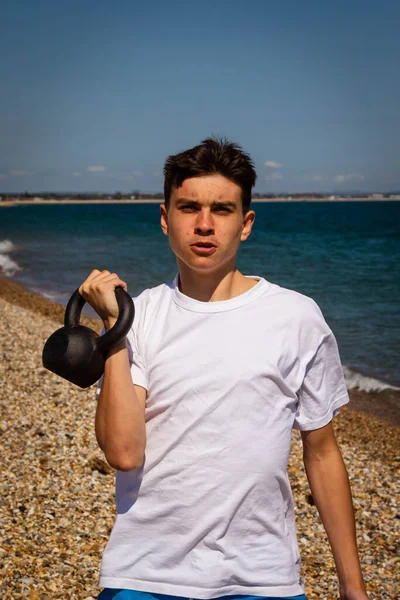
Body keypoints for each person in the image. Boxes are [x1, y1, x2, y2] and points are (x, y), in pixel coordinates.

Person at [79, 137, 370, 600]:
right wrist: (114, 327)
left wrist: (353, 587)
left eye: (223, 209)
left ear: (246, 223)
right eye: (189, 207)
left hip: (263, 576)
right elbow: (124, 452)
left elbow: (322, 452)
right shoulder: (139, 318)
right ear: (164, 219)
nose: (204, 225)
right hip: (144, 573)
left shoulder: (296, 317)